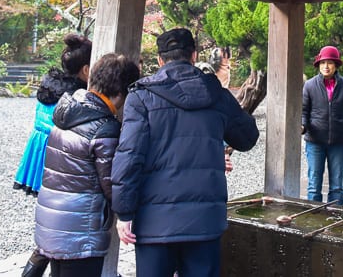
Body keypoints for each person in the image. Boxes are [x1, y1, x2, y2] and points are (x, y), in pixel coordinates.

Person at [111, 27, 259, 277]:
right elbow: (248, 138)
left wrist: (124, 213)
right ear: (194, 55)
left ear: (159, 60)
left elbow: (128, 157)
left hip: (154, 222)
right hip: (205, 220)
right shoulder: (217, 95)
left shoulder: (142, 96)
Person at [33, 52, 142, 277]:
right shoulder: (104, 127)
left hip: (53, 219)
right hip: (81, 228)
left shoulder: (68, 112)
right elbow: (112, 182)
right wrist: (127, 213)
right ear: (122, 92)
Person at [17, 34, 91, 277]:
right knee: (59, 221)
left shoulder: (51, 82)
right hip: (56, 154)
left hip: (38, 151)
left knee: (51, 217)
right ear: (86, 69)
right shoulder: (76, 95)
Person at [301, 45, 343, 205]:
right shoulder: (309, 85)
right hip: (314, 141)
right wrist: (302, 126)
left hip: (338, 142)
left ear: (336, 65)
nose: (326, 66)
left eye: (330, 63)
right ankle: (313, 218)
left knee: (336, 185)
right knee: (313, 185)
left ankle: (336, 218)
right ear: (318, 65)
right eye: (323, 63)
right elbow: (303, 110)